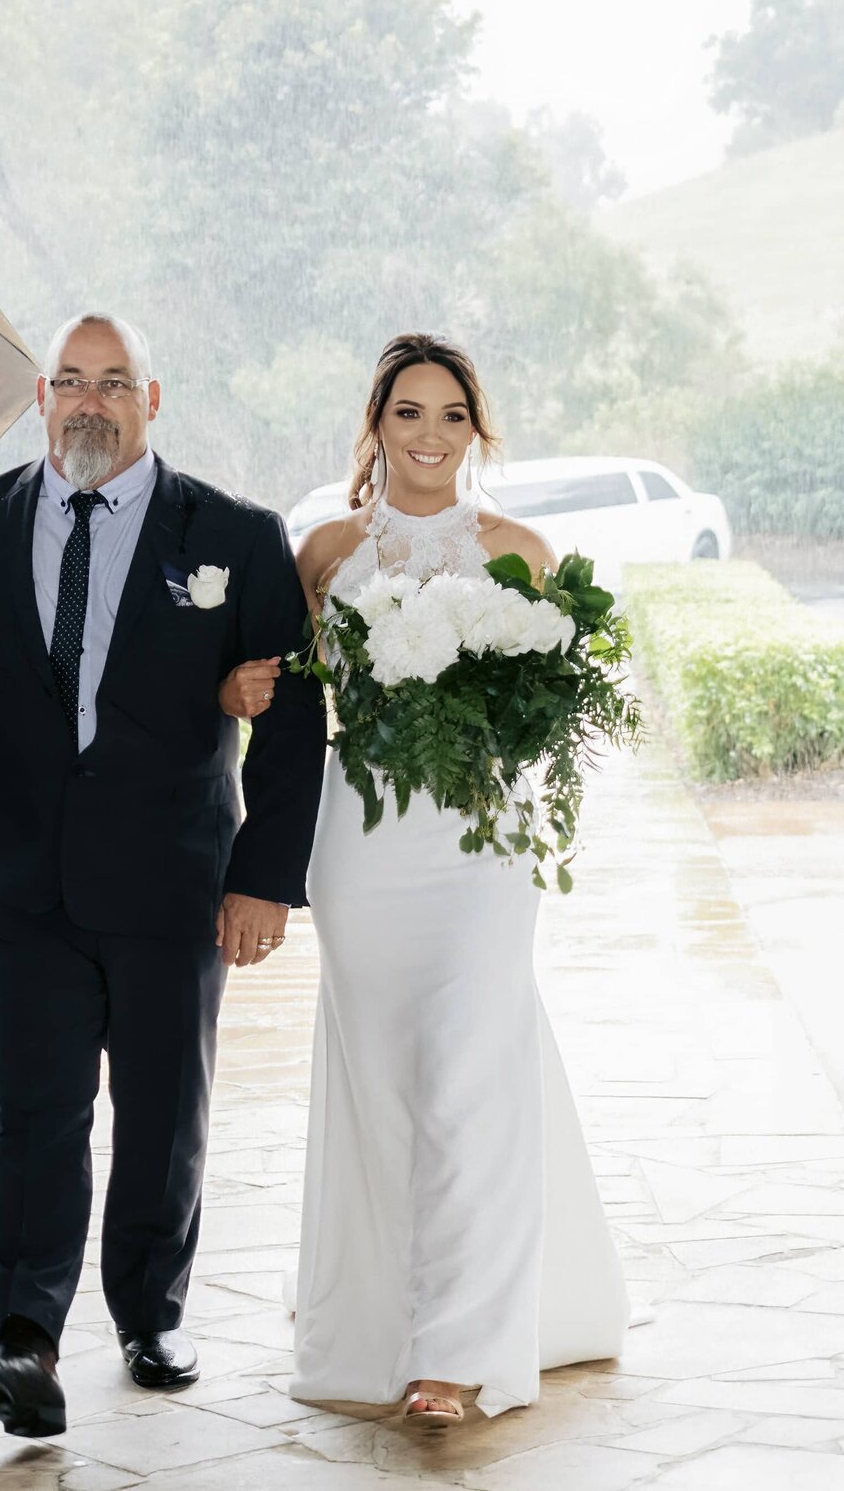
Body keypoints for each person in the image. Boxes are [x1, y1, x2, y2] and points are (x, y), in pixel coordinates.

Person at [0, 312, 326, 1438]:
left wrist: (264, 878)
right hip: (13, 886)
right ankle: (26, 1344)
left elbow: (293, 719)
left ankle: (149, 1313)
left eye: (114, 382)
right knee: (34, 1111)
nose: (91, 401)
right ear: (41, 399)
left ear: (152, 398)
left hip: (175, 878)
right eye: (71, 383)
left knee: (163, 1109)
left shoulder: (234, 532)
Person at [222, 333, 629, 1425]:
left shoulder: (525, 554)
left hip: (481, 847)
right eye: (409, 413)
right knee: (389, 1079)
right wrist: (243, 690)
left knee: (465, 1072)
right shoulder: (324, 553)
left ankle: (452, 1357)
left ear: (478, 428)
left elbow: (555, 714)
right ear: (375, 427)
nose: (431, 436)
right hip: (361, 844)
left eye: (453, 414)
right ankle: (377, 1310)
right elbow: (293, 700)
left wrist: (502, 722)